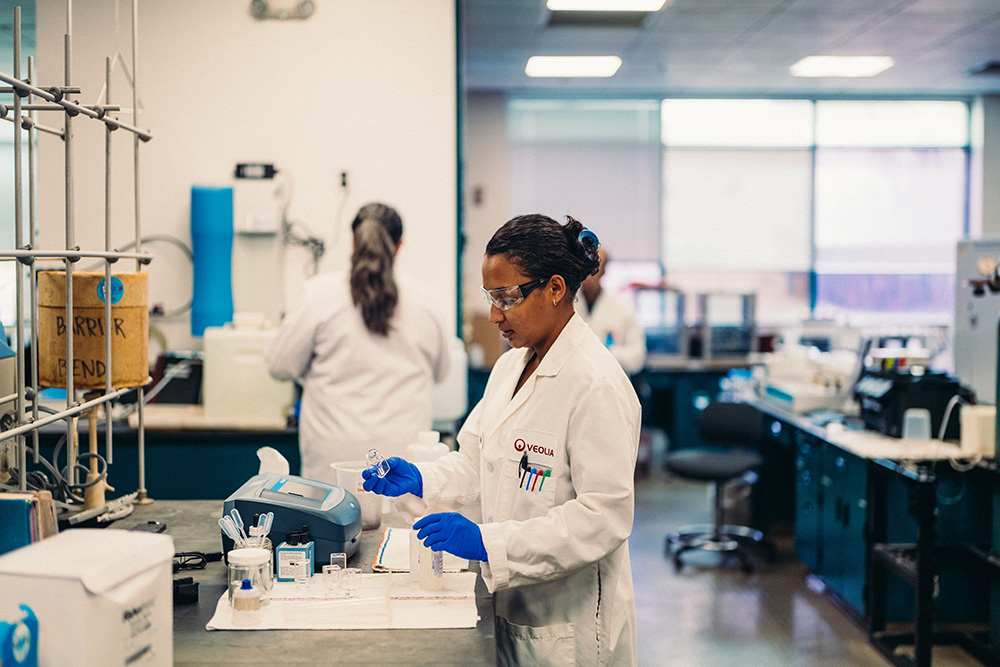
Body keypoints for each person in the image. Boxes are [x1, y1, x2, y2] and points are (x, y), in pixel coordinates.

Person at [364, 214, 641, 666]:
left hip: (569, 630)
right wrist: (422, 480)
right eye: (490, 297)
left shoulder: (596, 384)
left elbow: (603, 517)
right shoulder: (510, 367)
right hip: (513, 612)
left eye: (507, 297)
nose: (494, 315)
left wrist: (490, 543)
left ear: (554, 289)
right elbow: (477, 462)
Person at [266, 202, 450, 484]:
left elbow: (279, 366)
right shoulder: (427, 300)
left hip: (333, 454)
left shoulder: (318, 294)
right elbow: (441, 373)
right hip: (402, 455)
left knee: (329, 523)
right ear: (399, 246)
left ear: (353, 241)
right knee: (397, 526)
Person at [575, 246, 646, 376]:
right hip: (575, 381)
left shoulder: (623, 307)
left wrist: (605, 352)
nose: (588, 275)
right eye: (585, 267)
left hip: (611, 382)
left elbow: (637, 358)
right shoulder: (566, 304)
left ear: (604, 272)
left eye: (594, 269)